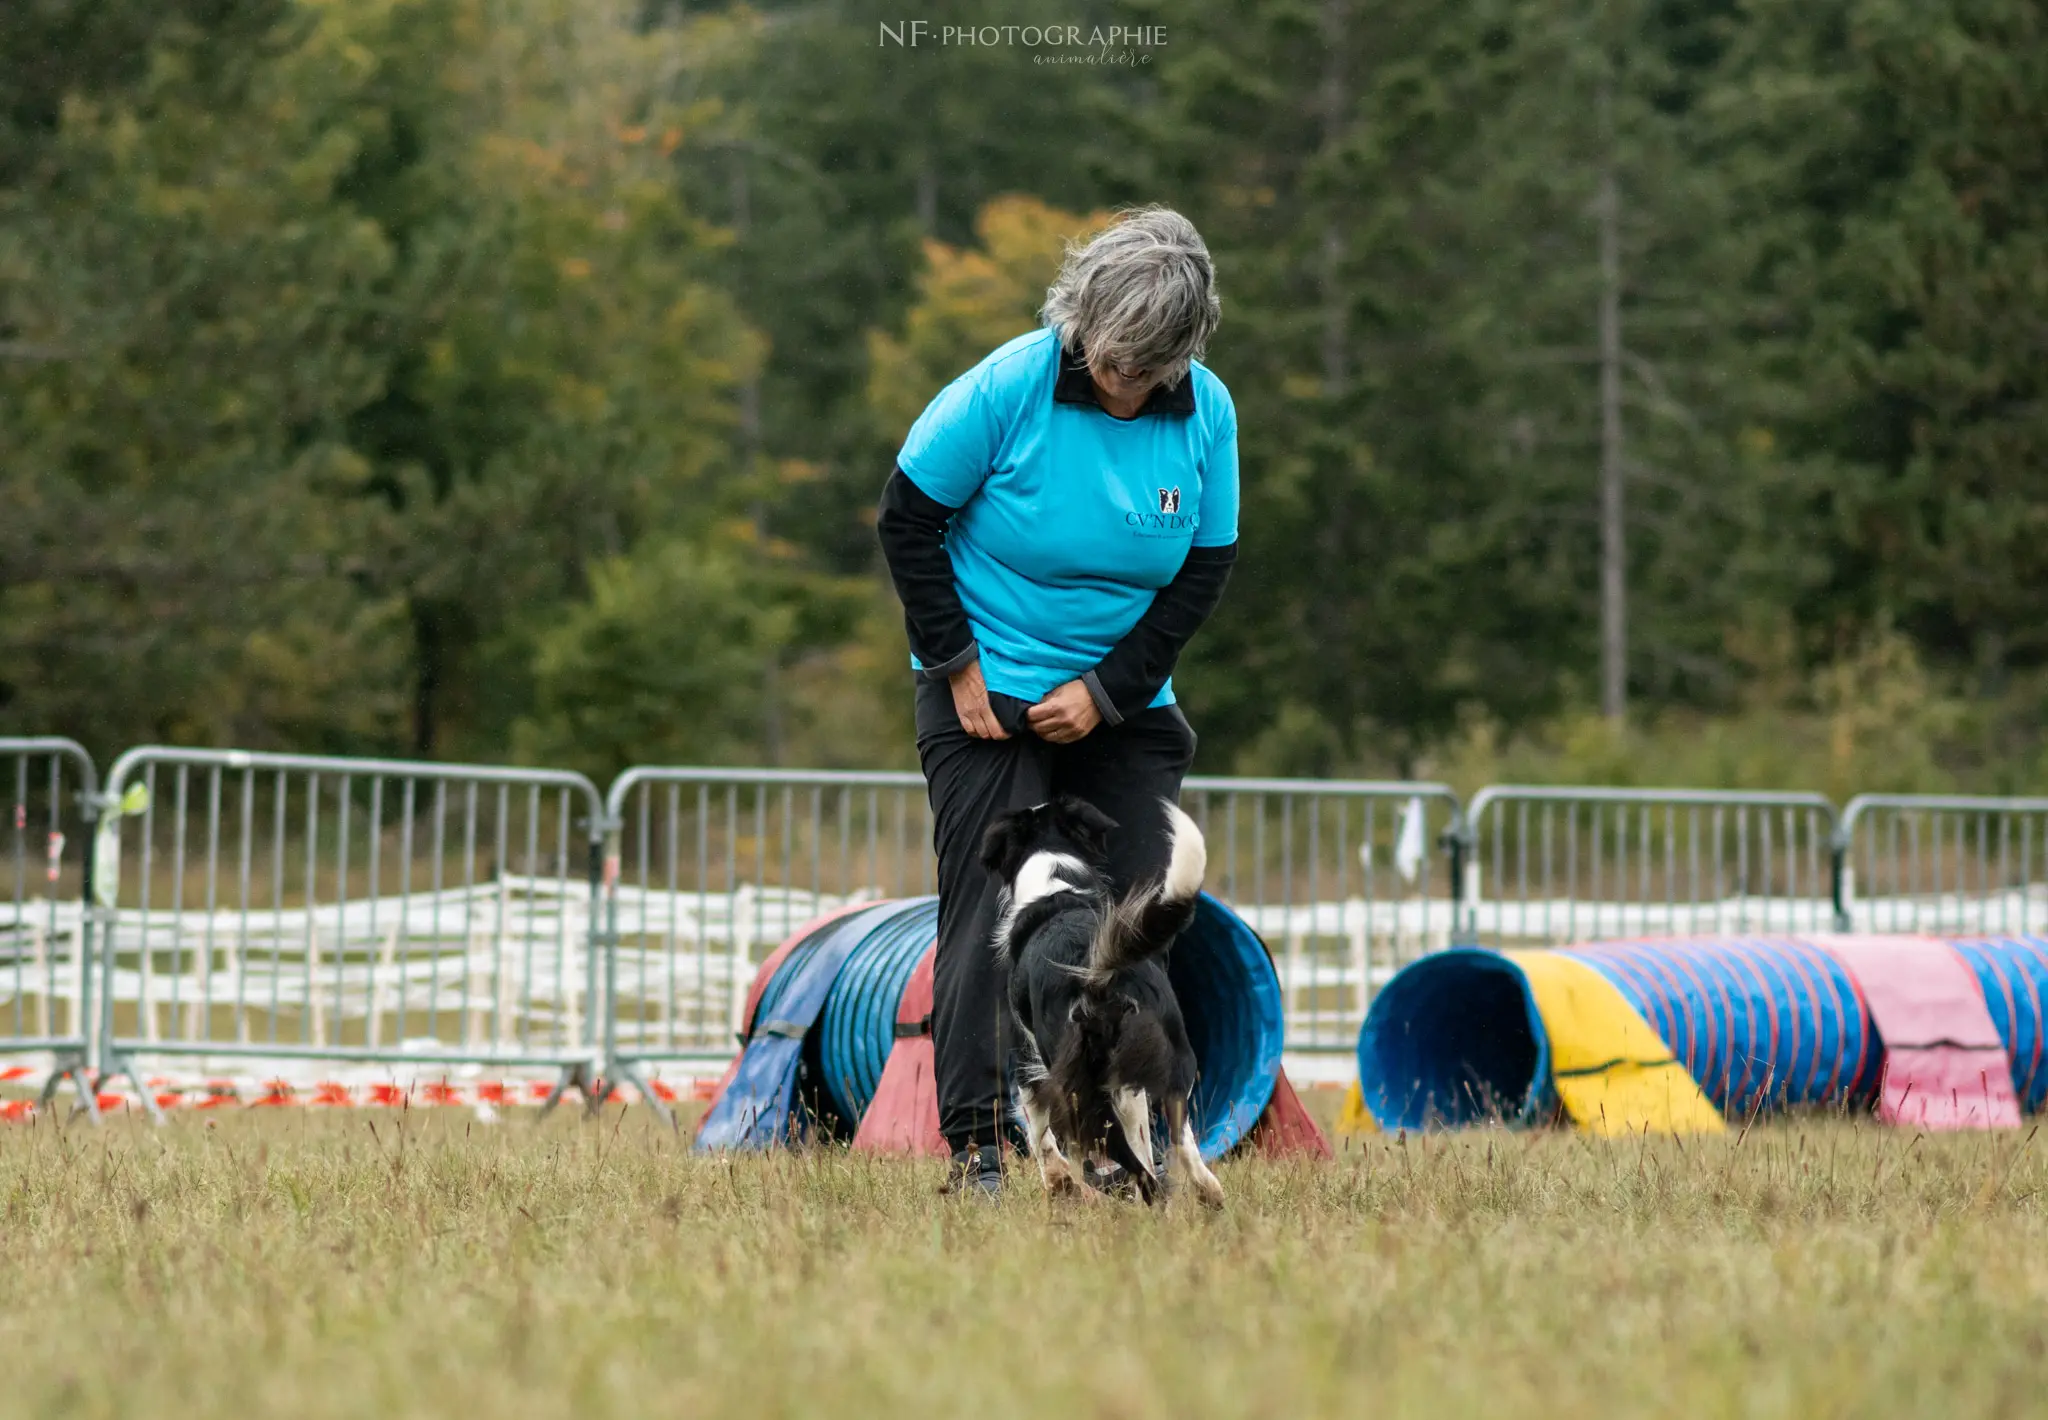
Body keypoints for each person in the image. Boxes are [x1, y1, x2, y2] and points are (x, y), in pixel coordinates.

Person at [875, 205, 1239, 1197]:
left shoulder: (1205, 412)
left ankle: (1144, 1140)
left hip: (1121, 695)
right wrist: (956, 667)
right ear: (1082, 325)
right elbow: (905, 521)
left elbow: (1202, 571)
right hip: (984, 689)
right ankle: (981, 1146)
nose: (1128, 389)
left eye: (1150, 371)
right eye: (1115, 364)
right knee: (995, 914)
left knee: (1140, 914)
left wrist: (1109, 691)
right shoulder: (1004, 388)